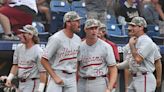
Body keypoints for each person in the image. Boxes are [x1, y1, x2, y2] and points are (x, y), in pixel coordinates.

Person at [40, 11, 82, 92]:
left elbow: (77, 60)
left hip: (71, 76)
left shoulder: (78, 39)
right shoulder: (56, 38)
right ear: (68, 23)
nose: (79, 24)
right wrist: (55, 77)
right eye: (76, 21)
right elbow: (43, 60)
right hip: (58, 73)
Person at [117, 16, 161, 92]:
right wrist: (115, 66)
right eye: (130, 25)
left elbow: (138, 59)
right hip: (135, 78)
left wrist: (159, 79)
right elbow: (129, 62)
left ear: (141, 27)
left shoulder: (146, 41)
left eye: (133, 26)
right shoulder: (134, 41)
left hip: (145, 77)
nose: (130, 28)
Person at [77, 19, 118, 92]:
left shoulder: (106, 46)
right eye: (91, 28)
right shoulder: (79, 46)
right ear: (85, 30)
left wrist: (110, 87)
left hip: (99, 80)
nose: (94, 31)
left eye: (96, 28)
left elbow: (113, 68)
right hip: (82, 81)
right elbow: (76, 67)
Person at [5, 25, 47, 92]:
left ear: (30, 35)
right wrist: (9, 78)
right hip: (21, 82)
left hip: (33, 83)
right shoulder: (19, 48)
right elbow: (15, 65)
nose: (20, 35)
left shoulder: (38, 51)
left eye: (23, 33)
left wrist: (40, 89)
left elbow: (43, 72)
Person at [98, 22, 120, 92]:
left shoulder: (111, 45)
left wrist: (112, 84)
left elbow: (115, 65)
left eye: (99, 30)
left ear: (103, 32)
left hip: (108, 79)